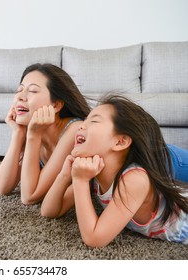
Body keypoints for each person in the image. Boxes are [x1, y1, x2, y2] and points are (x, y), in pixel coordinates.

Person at [41, 94, 188, 247]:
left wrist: (80, 181)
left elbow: (94, 239)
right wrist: (65, 175)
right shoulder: (94, 172)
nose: (81, 125)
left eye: (94, 121)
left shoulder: (135, 179)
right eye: (85, 120)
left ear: (120, 142)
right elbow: (49, 211)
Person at [0, 63, 91, 205]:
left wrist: (33, 136)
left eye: (32, 91)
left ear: (56, 105)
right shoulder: (31, 128)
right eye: (19, 90)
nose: (20, 97)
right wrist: (18, 134)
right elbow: (1, 188)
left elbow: (29, 197)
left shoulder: (75, 130)